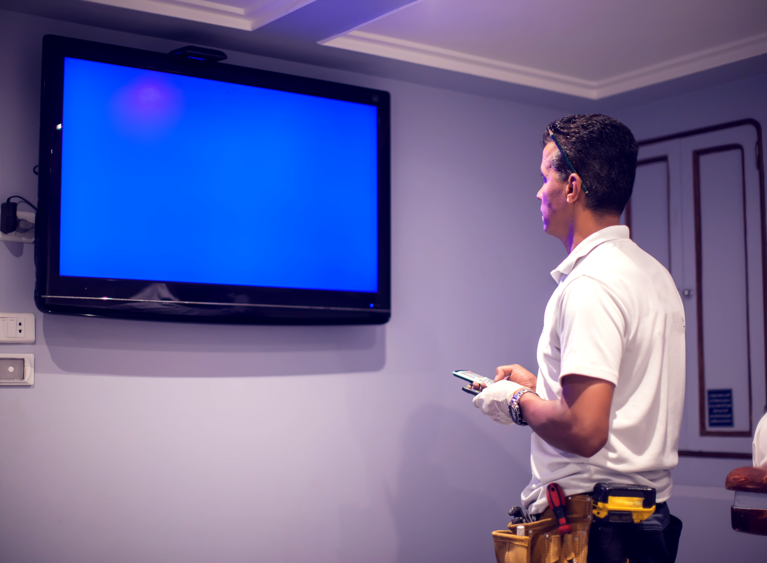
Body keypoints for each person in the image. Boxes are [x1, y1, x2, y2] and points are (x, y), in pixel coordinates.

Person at [472, 114, 685, 562]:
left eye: (544, 177)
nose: (538, 192)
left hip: (592, 532)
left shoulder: (591, 284)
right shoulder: (654, 275)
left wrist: (516, 402)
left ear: (572, 187)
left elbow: (585, 430)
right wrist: (542, 389)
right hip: (645, 525)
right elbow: (619, 405)